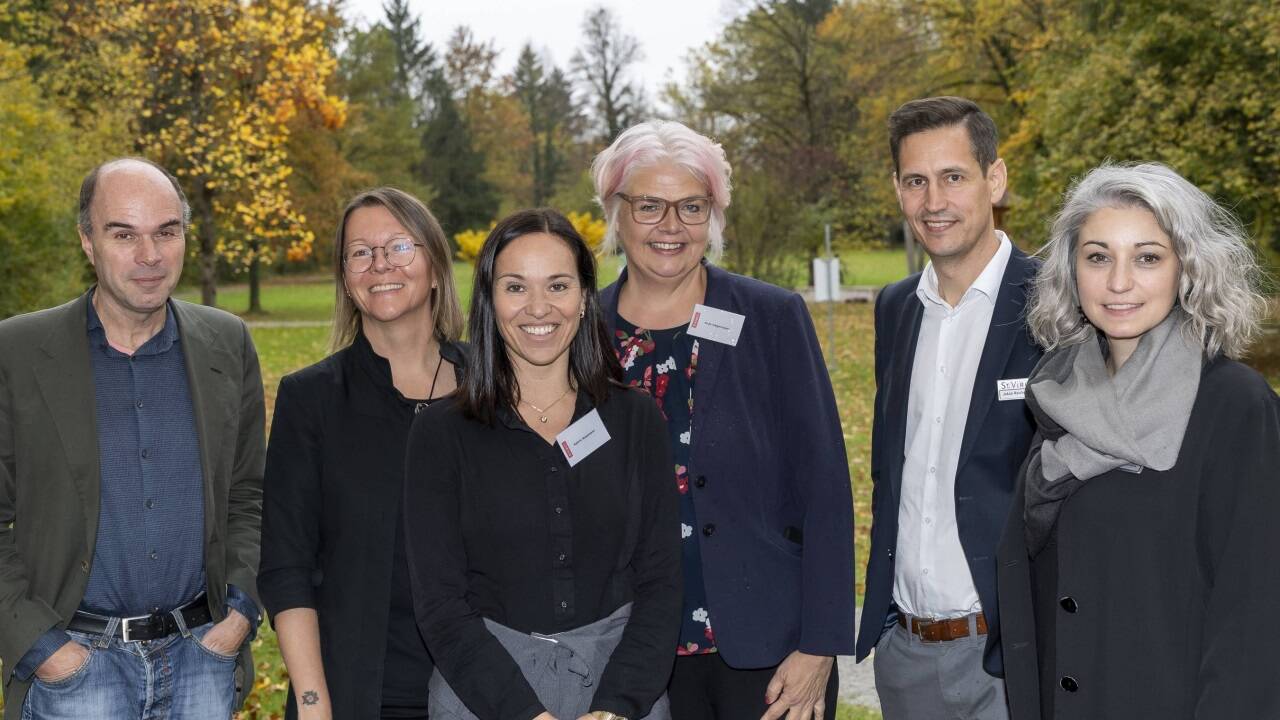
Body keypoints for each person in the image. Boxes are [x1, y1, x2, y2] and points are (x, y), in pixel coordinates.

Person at [990, 162, 1280, 719]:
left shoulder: (1235, 406)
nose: (1119, 282)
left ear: (1187, 270)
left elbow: (1256, 620)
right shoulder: (1058, 391)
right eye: (1098, 257)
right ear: (1071, 272)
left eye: (1147, 257)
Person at [591, 119, 855, 720]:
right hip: (628, 655)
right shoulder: (583, 333)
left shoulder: (771, 317)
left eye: (691, 206)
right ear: (615, 212)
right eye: (649, 205)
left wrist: (819, 645)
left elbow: (825, 488)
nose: (670, 225)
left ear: (713, 216)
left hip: (769, 650)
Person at [0, 157, 265, 719]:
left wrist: (240, 611)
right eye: (124, 234)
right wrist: (43, 648)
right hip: (76, 672)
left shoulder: (226, 343)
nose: (150, 256)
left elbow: (250, 494)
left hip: (202, 660)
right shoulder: (18, 353)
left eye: (166, 232)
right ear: (88, 242)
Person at [404, 208, 680, 720]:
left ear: (583, 299)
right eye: (515, 287)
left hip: (621, 693)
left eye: (557, 285)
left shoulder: (636, 419)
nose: (538, 307)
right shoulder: (441, 434)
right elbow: (440, 604)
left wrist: (617, 706)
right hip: (484, 696)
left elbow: (662, 582)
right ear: (489, 300)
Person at [854, 96, 1042, 720]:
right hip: (905, 656)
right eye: (916, 181)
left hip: (1011, 655)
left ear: (996, 179)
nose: (934, 201)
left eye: (953, 177)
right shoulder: (895, 307)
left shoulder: (1057, 306)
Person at [258, 188, 467, 719]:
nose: (379, 265)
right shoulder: (312, 399)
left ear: (436, 267)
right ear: (347, 280)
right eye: (360, 252)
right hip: (356, 696)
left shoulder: (492, 388)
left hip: (484, 695)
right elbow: (286, 566)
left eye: (400, 246)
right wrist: (311, 703)